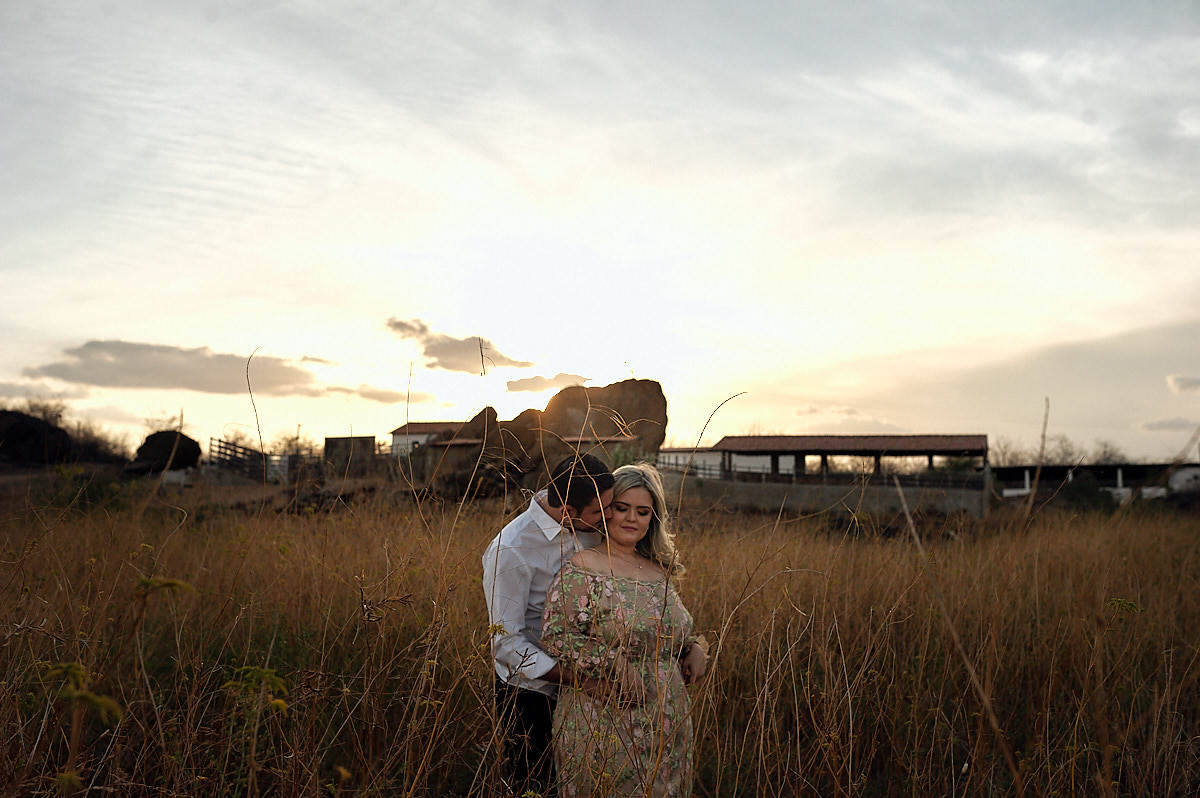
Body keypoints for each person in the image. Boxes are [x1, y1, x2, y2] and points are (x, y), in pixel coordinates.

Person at [542, 462, 708, 798]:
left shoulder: (660, 572)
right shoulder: (583, 567)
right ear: (606, 511)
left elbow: (674, 633)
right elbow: (555, 636)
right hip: (605, 720)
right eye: (622, 508)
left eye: (643, 511)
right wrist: (610, 661)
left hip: (669, 724)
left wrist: (695, 649)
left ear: (653, 518)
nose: (632, 518)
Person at [482, 453, 615, 797]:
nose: (609, 516)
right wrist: (579, 679)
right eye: (600, 511)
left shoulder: (590, 527)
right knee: (535, 786)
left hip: (588, 690)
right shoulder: (510, 550)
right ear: (568, 511)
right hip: (529, 696)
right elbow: (507, 644)